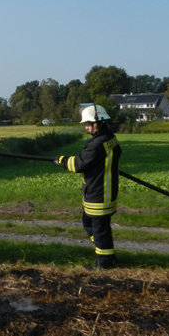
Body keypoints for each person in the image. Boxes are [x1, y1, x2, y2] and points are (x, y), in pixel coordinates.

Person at [54, 104, 122, 269]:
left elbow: (79, 164)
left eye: (89, 124)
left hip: (98, 194)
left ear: (100, 122)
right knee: (90, 224)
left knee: (99, 229)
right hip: (104, 192)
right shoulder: (110, 139)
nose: (86, 127)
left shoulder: (97, 144)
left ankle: (104, 263)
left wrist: (62, 160)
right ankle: (105, 252)